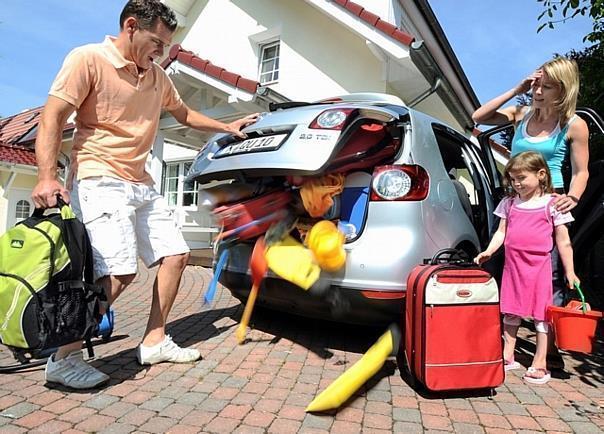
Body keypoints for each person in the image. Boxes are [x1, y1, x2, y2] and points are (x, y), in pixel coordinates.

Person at [31, 0, 258, 389]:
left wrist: (227, 127)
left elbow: (184, 114)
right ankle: (61, 358)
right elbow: (52, 116)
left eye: (167, 45)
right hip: (98, 177)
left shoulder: (157, 77)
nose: (163, 51)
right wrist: (46, 176)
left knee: (177, 254)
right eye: (158, 42)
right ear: (132, 26)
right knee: (119, 272)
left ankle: (154, 340)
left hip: (142, 182)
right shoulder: (88, 59)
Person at [472, 56, 589, 367]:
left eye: (546, 86)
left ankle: (549, 350)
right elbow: (478, 116)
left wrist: (573, 199)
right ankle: (507, 338)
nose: (538, 91)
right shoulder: (520, 114)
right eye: (536, 84)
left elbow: (581, 172)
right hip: (516, 202)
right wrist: (517, 88)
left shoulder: (573, 124)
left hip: (550, 204)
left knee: (549, 276)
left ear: (562, 90)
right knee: (508, 270)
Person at [474, 151, 578, 384]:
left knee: (542, 314)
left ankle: (540, 361)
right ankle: (507, 354)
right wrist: (489, 251)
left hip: (540, 266)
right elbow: (501, 232)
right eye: (512, 179)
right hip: (513, 265)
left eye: (521, 178)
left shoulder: (553, 204)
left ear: (541, 175)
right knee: (510, 310)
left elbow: (563, 241)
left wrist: (570, 271)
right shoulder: (509, 203)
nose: (516, 183)